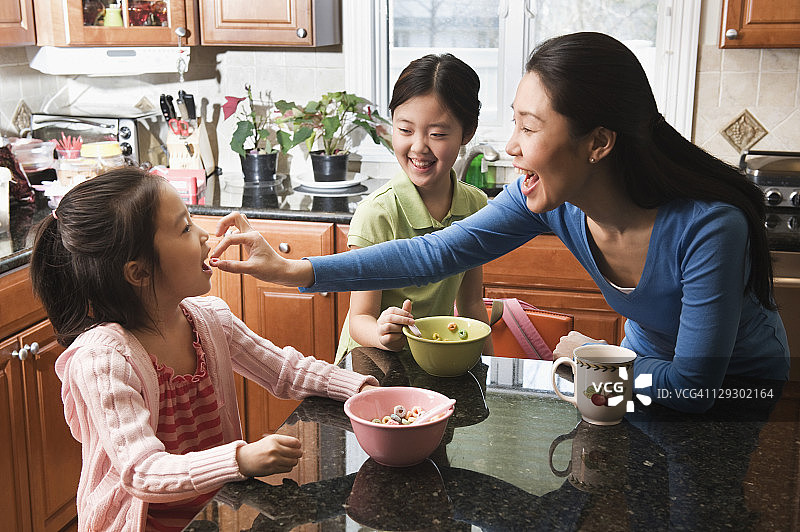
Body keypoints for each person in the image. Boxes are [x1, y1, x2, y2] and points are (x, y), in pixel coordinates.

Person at [209, 32, 789, 414]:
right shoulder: (552, 202)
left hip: (735, 390)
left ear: (599, 143)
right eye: (513, 123)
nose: (510, 147)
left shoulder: (709, 228)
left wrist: (599, 361)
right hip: (637, 372)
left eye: (530, 128)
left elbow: (695, 389)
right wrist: (293, 270)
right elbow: (432, 254)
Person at [29, 168, 378, 532]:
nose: (204, 236)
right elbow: (142, 470)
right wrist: (240, 458)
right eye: (183, 228)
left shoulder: (208, 320)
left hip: (209, 514)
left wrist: (360, 388)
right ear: (139, 271)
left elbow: (286, 371)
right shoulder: (104, 360)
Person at [334, 53, 491, 364]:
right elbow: (360, 318)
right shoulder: (376, 214)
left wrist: (489, 377)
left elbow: (472, 304)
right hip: (370, 365)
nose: (419, 146)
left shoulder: (475, 206)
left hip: (434, 361)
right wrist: (381, 332)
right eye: (405, 130)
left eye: (437, 134)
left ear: (467, 132)